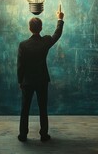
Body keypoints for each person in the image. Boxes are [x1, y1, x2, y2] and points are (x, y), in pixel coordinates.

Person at [17, 9, 65, 142]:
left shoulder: (23, 45)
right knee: (43, 108)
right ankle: (44, 135)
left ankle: (23, 135)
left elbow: (20, 65)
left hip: (27, 81)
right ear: (41, 28)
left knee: (24, 109)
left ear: (29, 28)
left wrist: (20, 81)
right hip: (42, 80)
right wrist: (59, 19)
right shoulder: (45, 41)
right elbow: (57, 34)